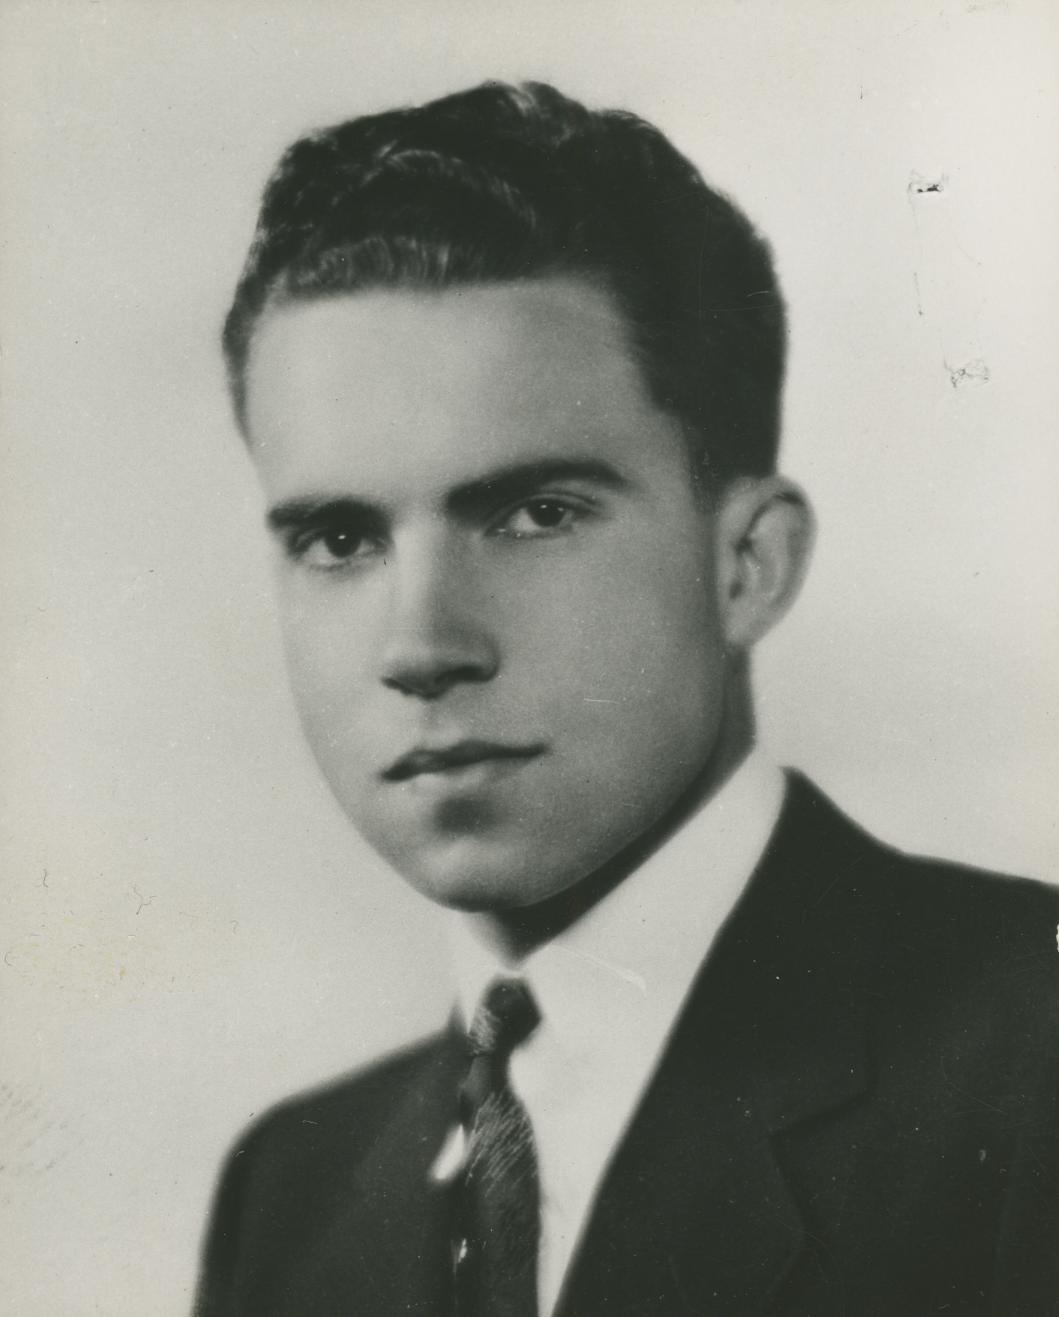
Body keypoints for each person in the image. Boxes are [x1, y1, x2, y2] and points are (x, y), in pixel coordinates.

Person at [195, 81, 1057, 1316]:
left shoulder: (1030, 1066)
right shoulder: (297, 1191)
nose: (421, 645)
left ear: (745, 566)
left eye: (536, 513)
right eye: (339, 540)